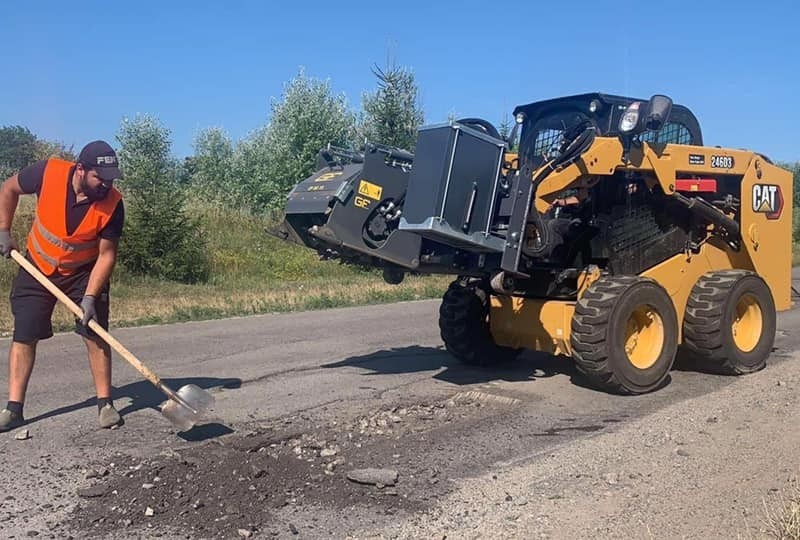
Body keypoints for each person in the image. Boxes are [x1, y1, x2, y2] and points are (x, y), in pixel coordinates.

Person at [0, 141, 125, 432]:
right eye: (100, 178)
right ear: (81, 169)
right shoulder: (48, 172)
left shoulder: (113, 204)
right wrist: (4, 230)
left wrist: (91, 296)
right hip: (37, 267)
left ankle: (105, 404)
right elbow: (8, 189)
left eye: (110, 179)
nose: (106, 185)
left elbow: (107, 255)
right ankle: (14, 408)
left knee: (94, 332)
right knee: (25, 333)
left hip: (84, 273)